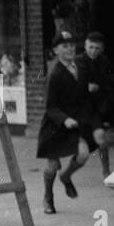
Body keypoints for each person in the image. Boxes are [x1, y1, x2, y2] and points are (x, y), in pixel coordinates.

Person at [36, 31, 96, 214]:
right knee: (52, 165)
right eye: (64, 46)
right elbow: (51, 107)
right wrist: (65, 119)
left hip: (75, 124)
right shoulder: (55, 74)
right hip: (55, 126)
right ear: (55, 50)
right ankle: (48, 197)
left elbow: (83, 97)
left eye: (71, 45)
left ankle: (66, 176)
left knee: (83, 154)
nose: (69, 49)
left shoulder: (81, 68)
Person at [76, 32, 114, 178]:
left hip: (97, 106)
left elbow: (113, 82)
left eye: (97, 48)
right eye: (91, 47)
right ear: (85, 45)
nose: (94, 51)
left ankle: (106, 170)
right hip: (81, 106)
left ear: (102, 49)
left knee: (101, 138)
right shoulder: (77, 62)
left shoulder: (104, 62)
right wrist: (85, 87)